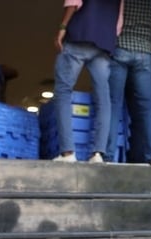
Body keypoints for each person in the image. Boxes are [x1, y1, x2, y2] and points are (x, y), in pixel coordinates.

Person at [52, 0, 122, 163]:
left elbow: (74, 2)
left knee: (63, 92)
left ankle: (68, 153)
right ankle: (97, 154)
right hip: (104, 43)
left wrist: (62, 28)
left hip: (79, 35)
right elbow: (119, 24)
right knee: (103, 98)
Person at [105, 0, 151, 165]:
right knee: (148, 110)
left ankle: (107, 155)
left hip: (120, 49)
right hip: (145, 53)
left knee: (113, 105)